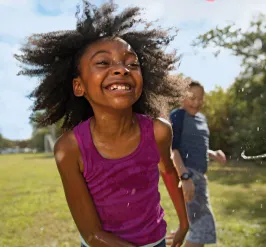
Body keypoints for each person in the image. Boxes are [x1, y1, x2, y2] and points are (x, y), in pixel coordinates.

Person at [15, 1, 189, 247]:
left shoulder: (159, 131)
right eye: (103, 63)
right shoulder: (69, 148)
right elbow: (92, 235)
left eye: (132, 63)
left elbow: (169, 172)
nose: (121, 69)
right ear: (79, 86)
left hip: (156, 241)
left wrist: (184, 222)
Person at [169, 81, 226, 247]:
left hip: (201, 178)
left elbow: (198, 147)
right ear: (182, 97)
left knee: (198, 227)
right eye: (192, 97)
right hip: (189, 176)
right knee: (202, 227)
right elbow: (174, 150)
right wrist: (185, 178)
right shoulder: (178, 116)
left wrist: (213, 153)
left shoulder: (202, 118)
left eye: (200, 98)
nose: (196, 102)